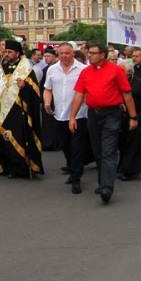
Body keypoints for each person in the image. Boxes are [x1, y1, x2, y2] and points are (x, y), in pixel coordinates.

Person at [69, 43, 138, 205]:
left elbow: (127, 94)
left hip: (112, 114)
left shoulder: (115, 70)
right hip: (93, 114)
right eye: (89, 53)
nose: (89, 55)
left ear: (103, 55)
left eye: (93, 53)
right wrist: (72, 116)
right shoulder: (85, 72)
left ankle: (107, 187)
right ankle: (102, 182)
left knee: (108, 150)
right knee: (97, 150)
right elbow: (79, 95)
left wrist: (133, 117)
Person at [0, 40, 43, 179]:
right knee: (2, 139)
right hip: (2, 110)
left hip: (18, 110)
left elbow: (35, 92)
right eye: (5, 52)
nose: (6, 54)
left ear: (17, 53)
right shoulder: (2, 67)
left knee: (17, 138)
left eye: (9, 52)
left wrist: (25, 86)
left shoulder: (26, 69)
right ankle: (7, 167)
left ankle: (21, 169)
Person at [43, 43, 87, 194]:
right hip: (59, 115)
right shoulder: (52, 70)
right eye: (61, 53)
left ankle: (76, 178)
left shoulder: (83, 69)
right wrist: (47, 103)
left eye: (67, 53)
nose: (64, 56)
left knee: (76, 147)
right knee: (66, 146)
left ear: (73, 54)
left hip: (79, 115)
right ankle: (74, 168)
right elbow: (47, 89)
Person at [118, 62, 141, 181]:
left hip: (136, 117)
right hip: (120, 117)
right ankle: (121, 166)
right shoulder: (116, 82)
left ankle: (129, 170)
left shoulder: (139, 84)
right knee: (122, 144)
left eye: (122, 71)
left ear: (129, 72)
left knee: (133, 145)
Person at [39, 47, 59, 151]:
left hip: (58, 99)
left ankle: (56, 143)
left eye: (48, 56)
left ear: (55, 56)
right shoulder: (44, 70)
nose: (46, 58)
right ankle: (47, 143)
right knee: (47, 123)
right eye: (45, 56)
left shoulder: (58, 67)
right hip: (46, 99)